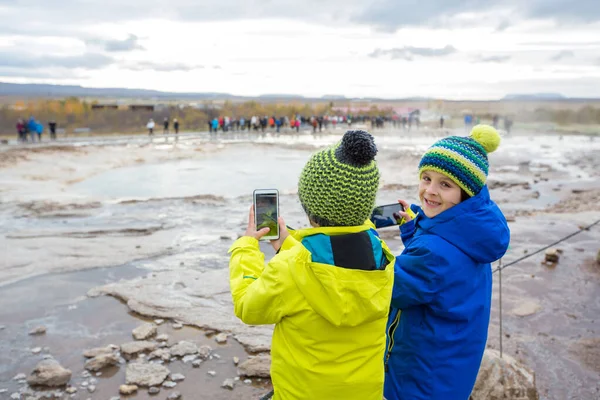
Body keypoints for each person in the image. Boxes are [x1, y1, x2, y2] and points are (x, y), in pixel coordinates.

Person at [229, 130, 395, 400]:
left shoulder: (290, 267)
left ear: (309, 206)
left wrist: (246, 247)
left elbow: (248, 307)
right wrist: (288, 243)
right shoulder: (381, 254)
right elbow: (334, 258)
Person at [384, 125, 510, 400]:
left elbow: (387, 287)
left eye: (445, 184)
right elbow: (436, 265)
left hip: (418, 376)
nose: (430, 191)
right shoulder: (473, 230)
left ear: (466, 192)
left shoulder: (435, 253)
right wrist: (411, 229)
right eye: (426, 178)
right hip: (451, 367)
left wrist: (362, 240)